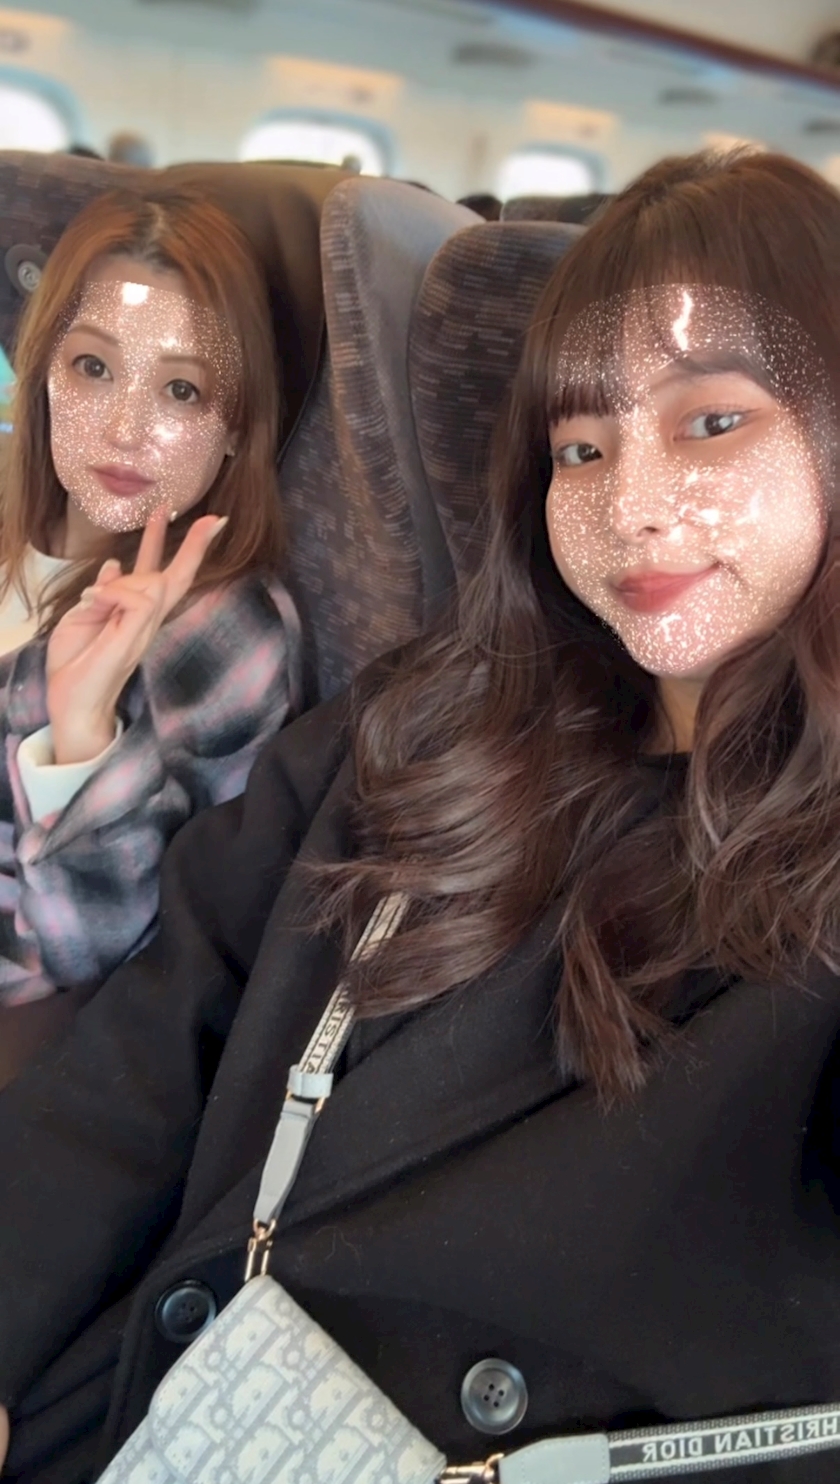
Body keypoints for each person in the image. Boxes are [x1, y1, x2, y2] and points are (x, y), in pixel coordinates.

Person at [1, 146, 840, 1484]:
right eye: (581, 447)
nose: (631, 507)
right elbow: (154, 1044)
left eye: (712, 424)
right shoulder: (422, 720)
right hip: (154, 1398)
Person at [0, 186, 301, 1029]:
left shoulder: (221, 631)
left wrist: (81, 735)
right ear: (44, 371)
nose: (126, 430)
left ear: (236, 425)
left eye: (182, 391)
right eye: (94, 368)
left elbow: (89, 951)